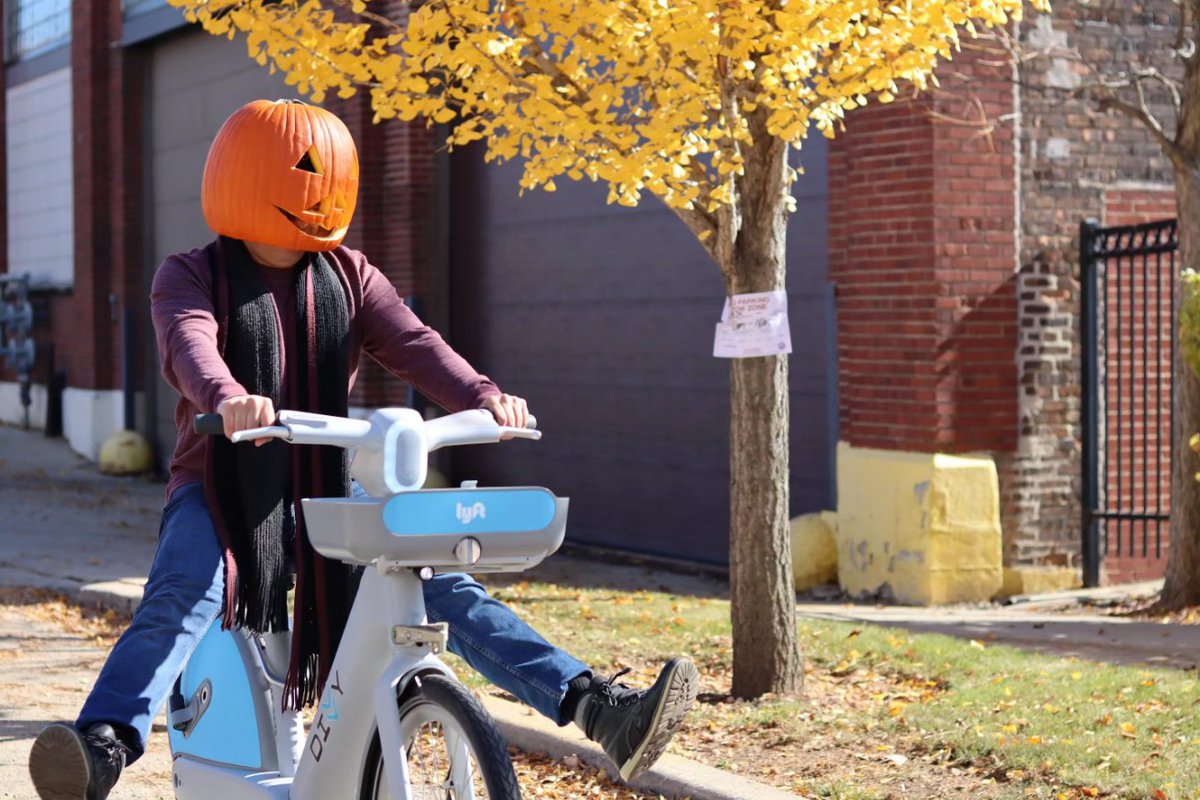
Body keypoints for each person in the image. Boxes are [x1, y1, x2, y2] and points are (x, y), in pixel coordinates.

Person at [27, 98, 697, 800]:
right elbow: (188, 342)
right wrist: (227, 397)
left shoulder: (349, 276)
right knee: (186, 589)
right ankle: (103, 744)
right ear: (243, 175)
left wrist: (482, 396)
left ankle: (596, 706)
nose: (322, 187)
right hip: (222, 489)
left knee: (442, 584)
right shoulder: (191, 275)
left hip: (322, 487)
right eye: (306, 170)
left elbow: (413, 343)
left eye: (333, 172)